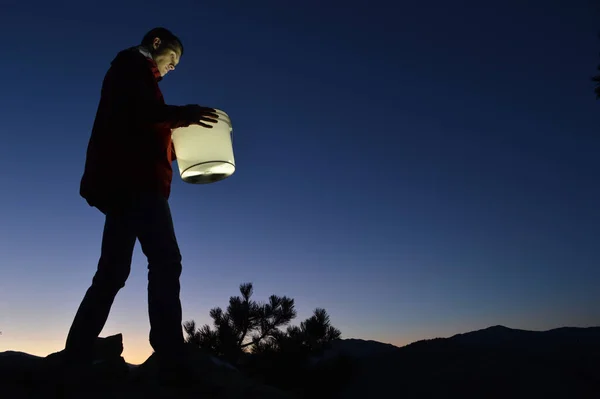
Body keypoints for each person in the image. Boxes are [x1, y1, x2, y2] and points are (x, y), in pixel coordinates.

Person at [61, 27, 218, 379]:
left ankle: (77, 352)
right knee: (165, 260)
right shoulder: (130, 68)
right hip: (138, 184)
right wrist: (185, 113)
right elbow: (141, 114)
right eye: (173, 59)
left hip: (125, 184)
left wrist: (182, 151)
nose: (173, 67)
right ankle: (170, 355)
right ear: (157, 43)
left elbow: (141, 129)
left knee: (112, 273)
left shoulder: (138, 76)